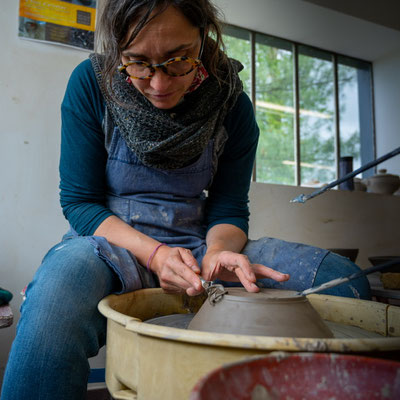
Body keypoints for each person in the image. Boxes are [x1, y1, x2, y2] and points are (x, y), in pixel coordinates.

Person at [1, 0, 371, 398]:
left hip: (195, 246)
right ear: (118, 51)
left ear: (203, 36)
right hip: (107, 246)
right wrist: (156, 255)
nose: (159, 84)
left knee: (343, 281)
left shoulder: (232, 104)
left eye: (178, 60)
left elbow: (229, 208)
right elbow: (79, 202)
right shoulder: (93, 83)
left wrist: (218, 252)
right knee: (57, 291)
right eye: (138, 62)